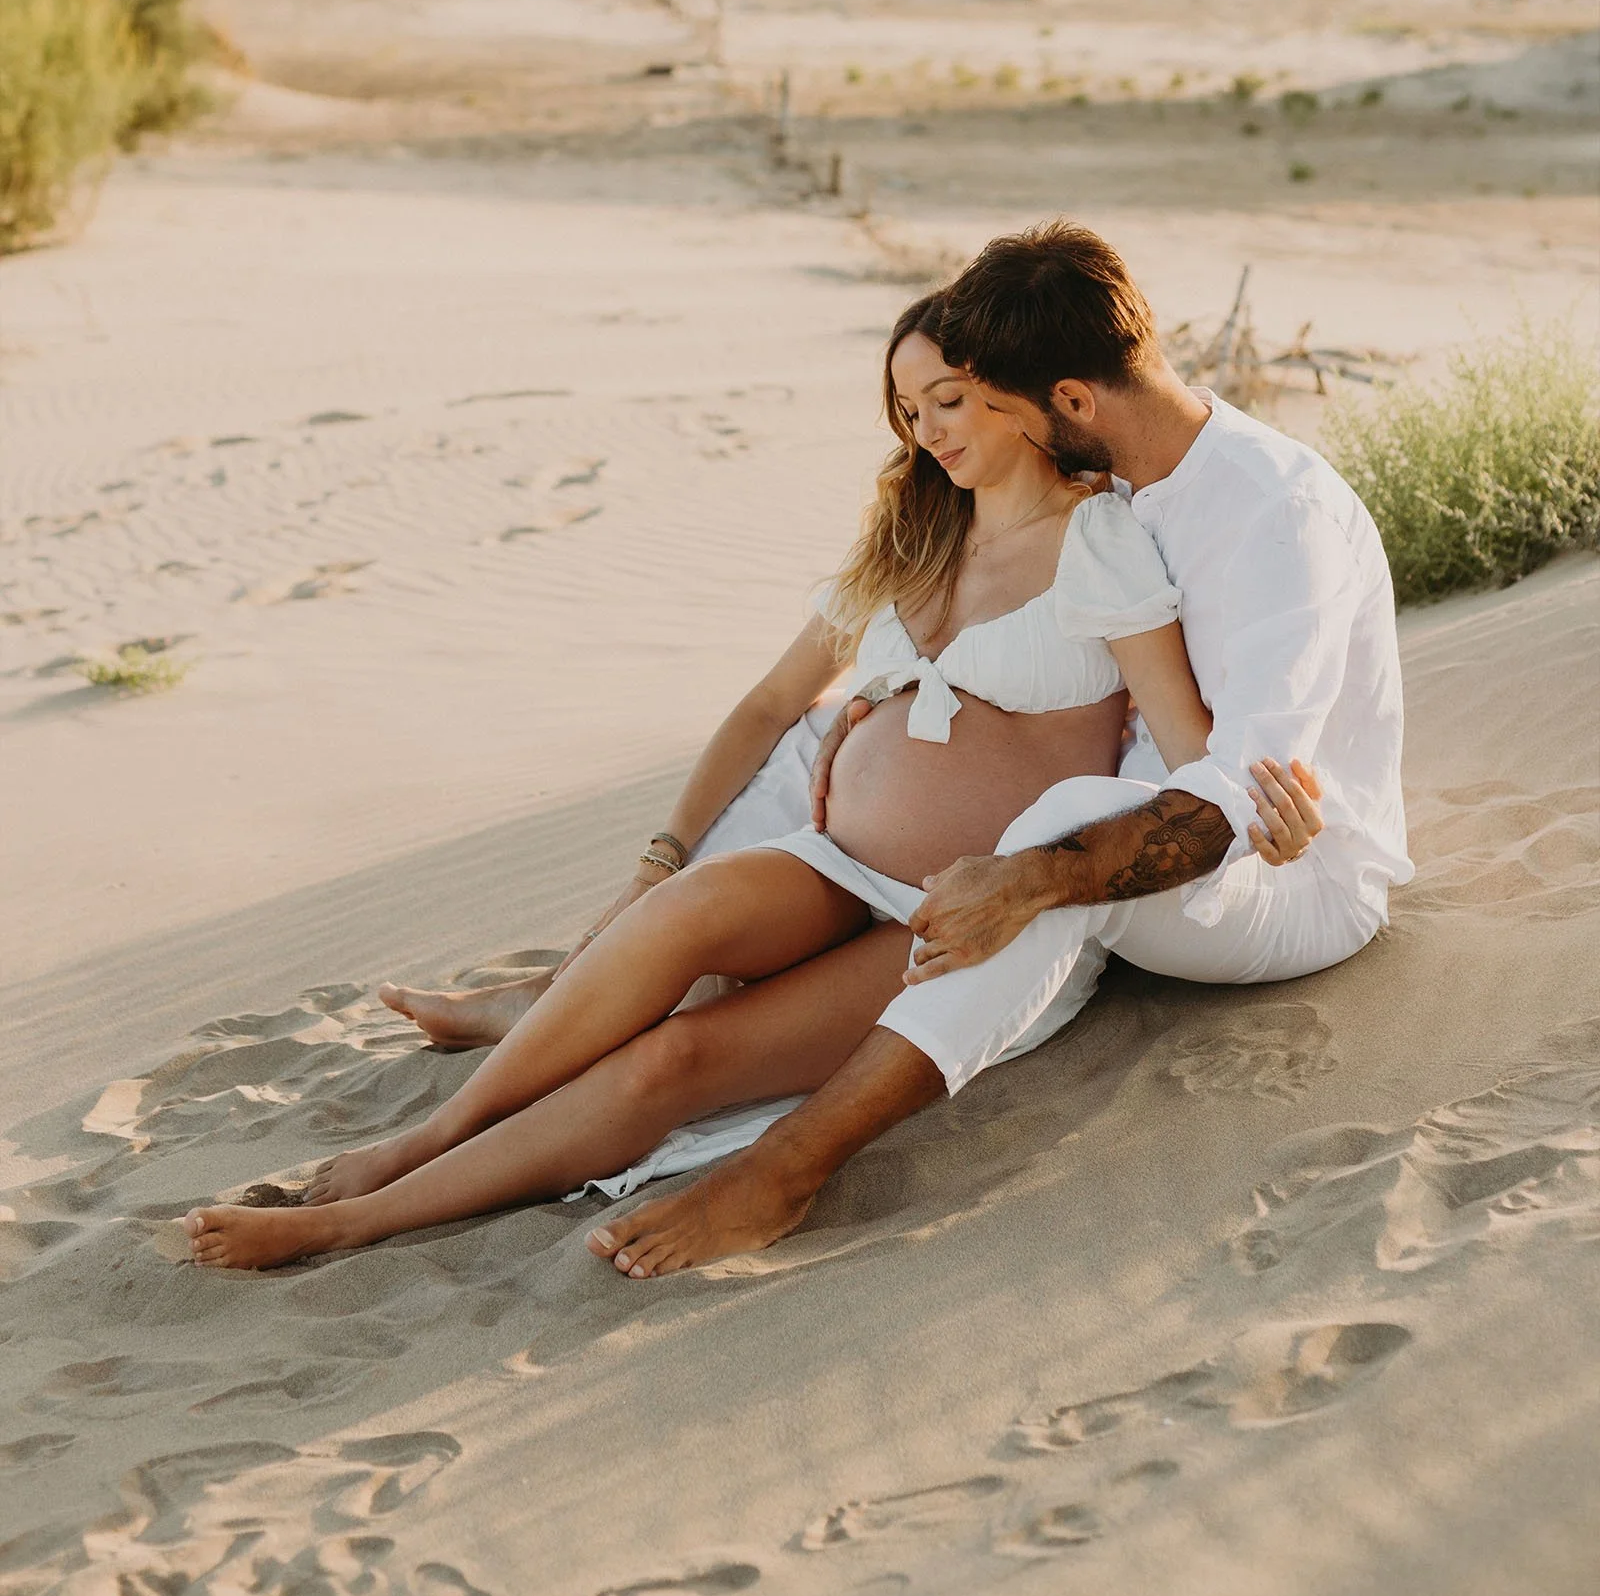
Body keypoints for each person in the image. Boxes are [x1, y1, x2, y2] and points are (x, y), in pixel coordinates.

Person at [182, 278, 1317, 1270]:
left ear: (1013, 397)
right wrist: (660, 854)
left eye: (951, 400)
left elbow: (1182, 739)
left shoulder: (1101, 539)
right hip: (831, 862)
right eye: (908, 410)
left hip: (948, 913)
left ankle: (354, 1227)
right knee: (688, 910)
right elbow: (772, 705)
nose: (929, 432)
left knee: (674, 1058)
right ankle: (421, 1142)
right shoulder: (909, 538)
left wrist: (1257, 816)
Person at [581, 220, 1411, 1281]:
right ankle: (631, 963)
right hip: (1143, 830)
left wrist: (1027, 877)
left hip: (1287, 881)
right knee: (838, 729)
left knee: (1052, 835)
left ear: (1070, 400)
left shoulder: (1273, 516)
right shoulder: (1115, 472)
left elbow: (1243, 804)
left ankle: (788, 1166)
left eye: (1000, 405)